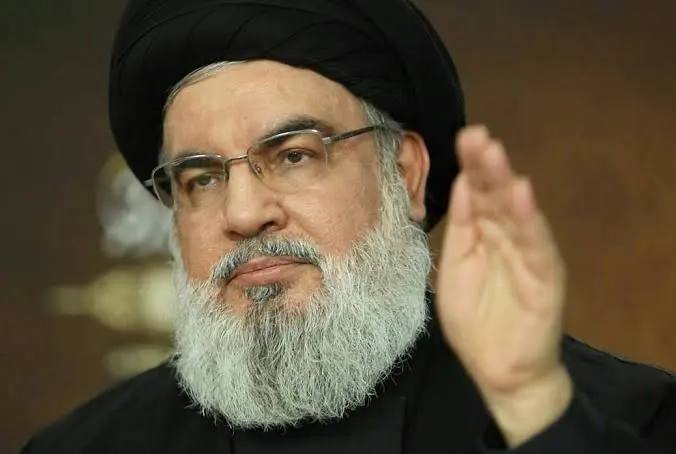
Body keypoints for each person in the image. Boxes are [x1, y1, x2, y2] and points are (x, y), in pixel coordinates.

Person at [22, 0, 676, 452]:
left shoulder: (630, 421)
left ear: (406, 174)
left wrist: (534, 413)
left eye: (294, 155)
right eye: (202, 179)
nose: (243, 213)